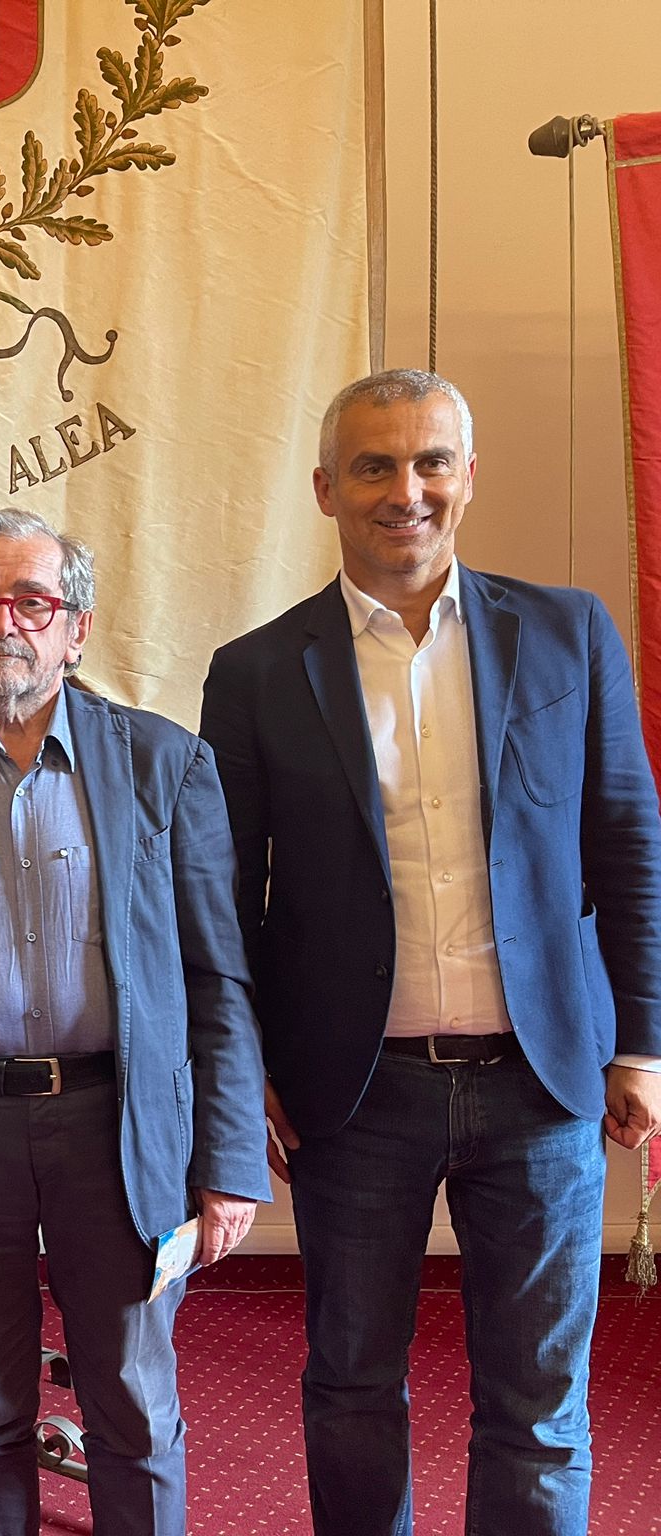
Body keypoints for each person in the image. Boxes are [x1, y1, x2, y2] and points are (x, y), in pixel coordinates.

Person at [198, 368, 661, 1535]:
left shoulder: (567, 635)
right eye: (372, 465)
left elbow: (627, 844)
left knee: (538, 1403)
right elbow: (221, 900)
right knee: (351, 1383)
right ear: (324, 488)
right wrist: (239, 1074)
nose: (403, 490)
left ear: (465, 476)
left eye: (429, 461)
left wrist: (643, 1046)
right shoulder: (254, 672)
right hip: (353, 1096)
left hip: (540, 1083)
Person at [0, 507, 268, 1535]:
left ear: (76, 628)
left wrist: (230, 1159)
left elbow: (217, 977)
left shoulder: (163, 762)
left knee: (132, 1402)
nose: (2, 623)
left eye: (31, 602)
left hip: (120, 1127)